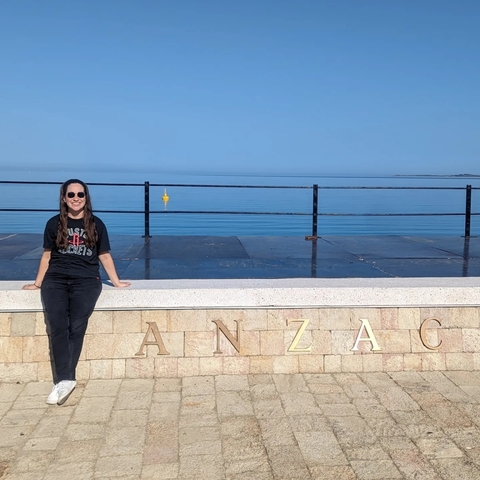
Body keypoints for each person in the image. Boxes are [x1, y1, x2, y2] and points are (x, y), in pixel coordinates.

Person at [23, 178, 130, 405]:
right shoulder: (54, 224)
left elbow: (104, 256)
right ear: (64, 198)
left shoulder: (96, 224)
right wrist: (37, 283)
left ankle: (64, 380)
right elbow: (46, 256)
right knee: (58, 325)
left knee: (77, 326)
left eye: (80, 195)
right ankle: (66, 379)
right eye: (71, 195)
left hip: (86, 280)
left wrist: (117, 282)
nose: (75, 199)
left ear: (86, 197)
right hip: (56, 280)